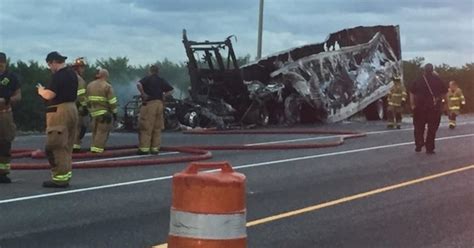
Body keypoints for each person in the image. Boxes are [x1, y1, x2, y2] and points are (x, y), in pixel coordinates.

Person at [37, 51, 78, 187]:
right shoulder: (72, 74)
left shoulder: (58, 76)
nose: (50, 68)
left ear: (54, 62)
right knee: (67, 145)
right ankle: (65, 176)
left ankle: (59, 179)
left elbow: (50, 95)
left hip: (59, 111)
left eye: (49, 65)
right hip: (72, 109)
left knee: (56, 145)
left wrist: (41, 91)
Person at [409, 63, 448, 154]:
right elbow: (445, 93)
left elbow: (411, 92)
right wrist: (446, 105)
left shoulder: (418, 80)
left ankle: (419, 143)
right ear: (432, 70)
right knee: (432, 128)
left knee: (418, 127)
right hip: (434, 108)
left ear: (424, 70)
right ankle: (429, 147)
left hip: (419, 107)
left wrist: (412, 105)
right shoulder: (438, 80)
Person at [136, 65, 173, 155]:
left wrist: (143, 94)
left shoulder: (147, 79)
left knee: (146, 126)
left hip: (150, 104)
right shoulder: (161, 80)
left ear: (150, 71)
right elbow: (171, 90)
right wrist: (164, 96)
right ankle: (155, 149)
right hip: (159, 104)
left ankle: (144, 149)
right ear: (158, 71)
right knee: (157, 127)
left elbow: (138, 84)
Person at [0, 52, 22, 184]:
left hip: (4, 114)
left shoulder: (11, 77)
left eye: (1, 65)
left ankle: (2, 172)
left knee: (5, 143)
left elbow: (18, 96)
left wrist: (7, 100)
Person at [86, 68, 117, 153]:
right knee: (102, 133)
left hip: (93, 113)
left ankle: (93, 149)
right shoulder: (107, 86)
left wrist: (89, 110)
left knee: (95, 133)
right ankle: (98, 151)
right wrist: (114, 113)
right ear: (106, 76)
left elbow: (86, 100)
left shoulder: (90, 85)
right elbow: (112, 102)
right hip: (104, 114)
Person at [71, 57, 89, 152]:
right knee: (80, 127)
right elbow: (81, 95)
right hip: (77, 107)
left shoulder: (68, 77)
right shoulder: (79, 80)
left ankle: (70, 146)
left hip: (67, 107)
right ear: (78, 68)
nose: (83, 70)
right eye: (82, 68)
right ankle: (76, 146)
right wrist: (84, 106)